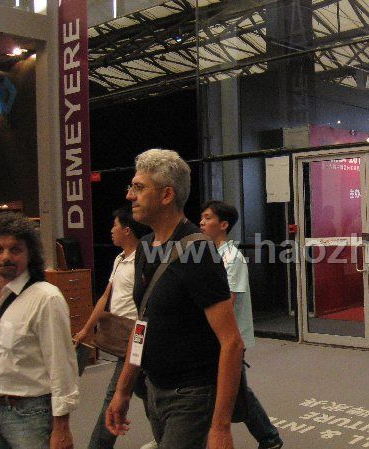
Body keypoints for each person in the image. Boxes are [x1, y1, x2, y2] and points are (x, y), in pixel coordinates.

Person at [105, 149, 244, 449]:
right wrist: (123, 390)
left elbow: (232, 342)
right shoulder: (145, 247)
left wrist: (221, 427)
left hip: (192, 395)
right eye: (131, 187)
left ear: (166, 195)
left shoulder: (199, 252)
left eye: (139, 187)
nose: (130, 195)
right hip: (154, 389)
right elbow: (142, 323)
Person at [0, 213, 79, 449]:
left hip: (31, 415)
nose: (6, 256)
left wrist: (62, 426)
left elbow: (61, 364)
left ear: (30, 254)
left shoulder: (45, 298)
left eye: (15, 249)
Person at [199, 200, 284, 449]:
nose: (201, 223)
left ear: (223, 225)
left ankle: (270, 438)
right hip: (213, 335)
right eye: (202, 217)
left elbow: (228, 299)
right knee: (230, 391)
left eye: (208, 218)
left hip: (228, 337)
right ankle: (269, 438)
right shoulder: (208, 254)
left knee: (237, 392)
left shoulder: (232, 257)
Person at [73, 207, 151, 449]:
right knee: (148, 392)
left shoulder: (143, 259)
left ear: (127, 230)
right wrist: (87, 329)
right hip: (119, 334)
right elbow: (106, 296)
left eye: (114, 226)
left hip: (135, 336)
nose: (111, 231)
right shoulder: (119, 260)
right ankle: (169, 433)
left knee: (115, 393)